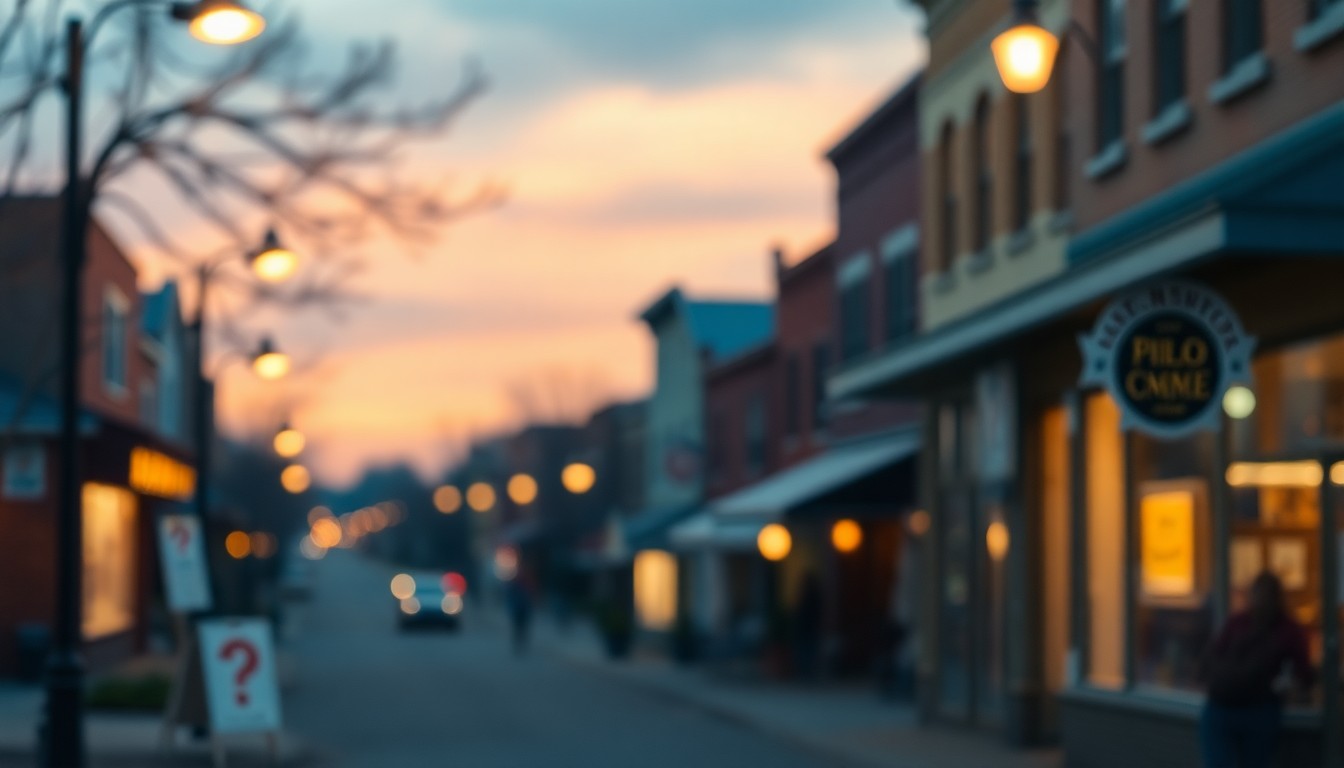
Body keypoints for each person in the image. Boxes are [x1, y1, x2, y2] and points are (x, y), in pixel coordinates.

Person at [1199, 571, 1314, 768]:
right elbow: (1303, 673)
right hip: (1251, 708)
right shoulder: (1287, 629)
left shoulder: (1239, 622)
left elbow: (1211, 657)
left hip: (1228, 707)